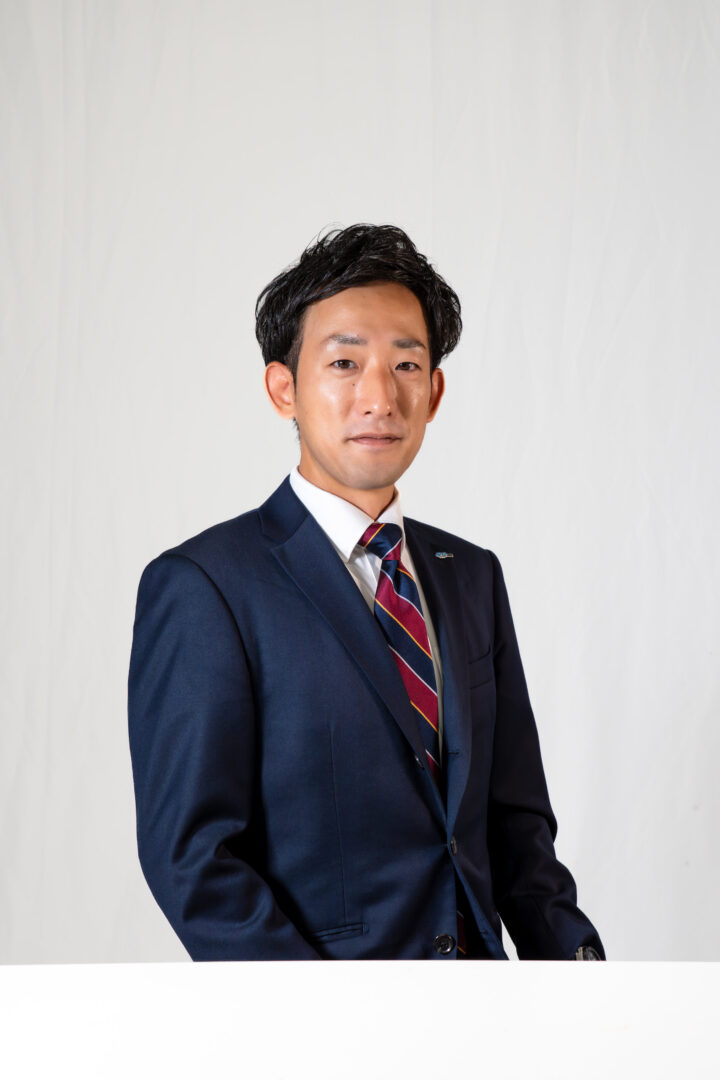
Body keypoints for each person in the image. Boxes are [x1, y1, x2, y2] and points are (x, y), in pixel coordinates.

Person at [127, 224, 605, 961]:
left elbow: (516, 828)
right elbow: (193, 860)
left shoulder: (470, 573)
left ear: (434, 392)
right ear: (283, 389)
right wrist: (323, 1016)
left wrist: (587, 983)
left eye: (406, 364)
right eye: (345, 363)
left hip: (487, 1010)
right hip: (322, 1015)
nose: (379, 397)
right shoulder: (206, 585)